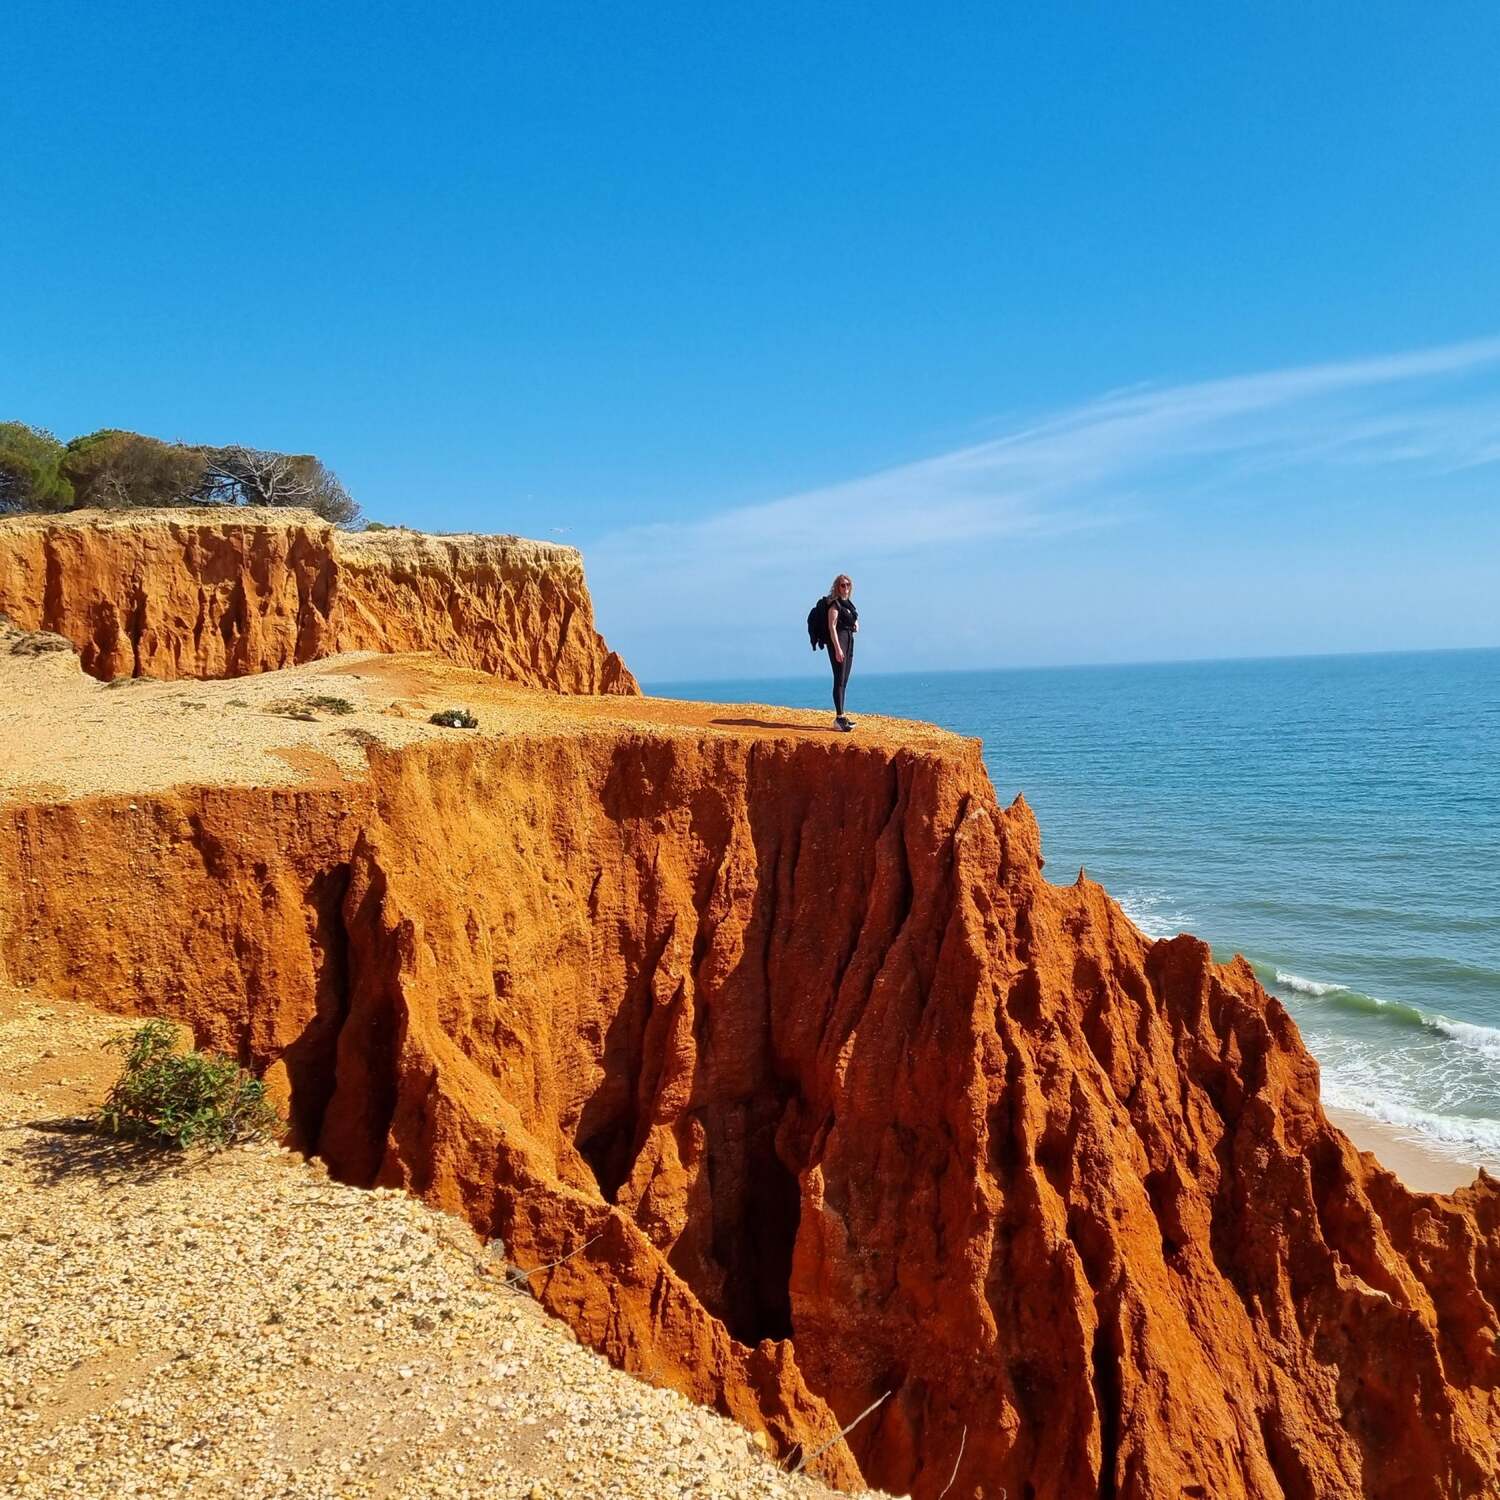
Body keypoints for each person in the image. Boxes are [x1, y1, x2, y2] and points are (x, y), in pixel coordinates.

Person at [825, 574, 858, 732]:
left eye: (848, 585)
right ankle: (839, 718)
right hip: (839, 643)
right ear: (837, 587)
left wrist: (855, 624)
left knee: (844, 680)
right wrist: (837, 648)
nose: (846, 588)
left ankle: (842, 717)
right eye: (842, 585)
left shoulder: (848, 604)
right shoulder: (835, 604)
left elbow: (854, 621)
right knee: (839, 679)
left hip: (849, 642)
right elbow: (832, 627)